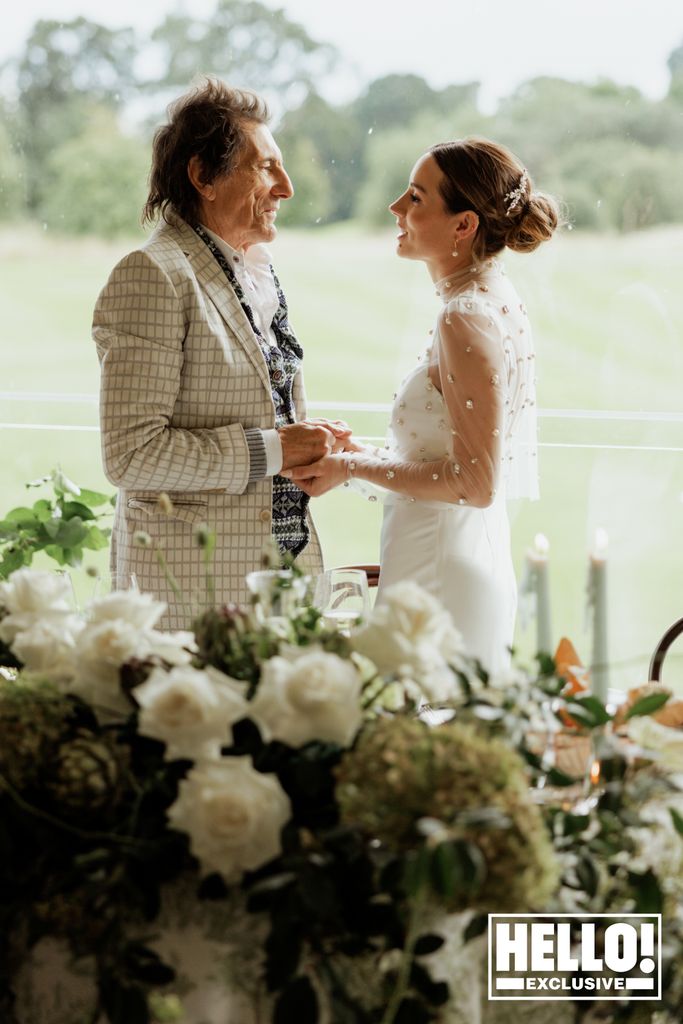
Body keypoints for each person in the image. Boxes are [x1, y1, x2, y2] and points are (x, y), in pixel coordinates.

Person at [284, 138, 560, 672]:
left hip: (442, 575)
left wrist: (351, 464)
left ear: (464, 225)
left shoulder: (465, 317)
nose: (395, 209)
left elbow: (474, 484)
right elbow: (448, 453)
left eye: (415, 197)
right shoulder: (491, 299)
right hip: (442, 556)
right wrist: (355, 460)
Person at [93, 78, 347, 628]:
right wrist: (275, 448)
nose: (287, 188)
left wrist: (307, 446)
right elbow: (131, 455)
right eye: (265, 167)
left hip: (280, 584)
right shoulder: (152, 274)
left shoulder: (257, 272)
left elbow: (258, 409)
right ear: (203, 176)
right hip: (189, 601)